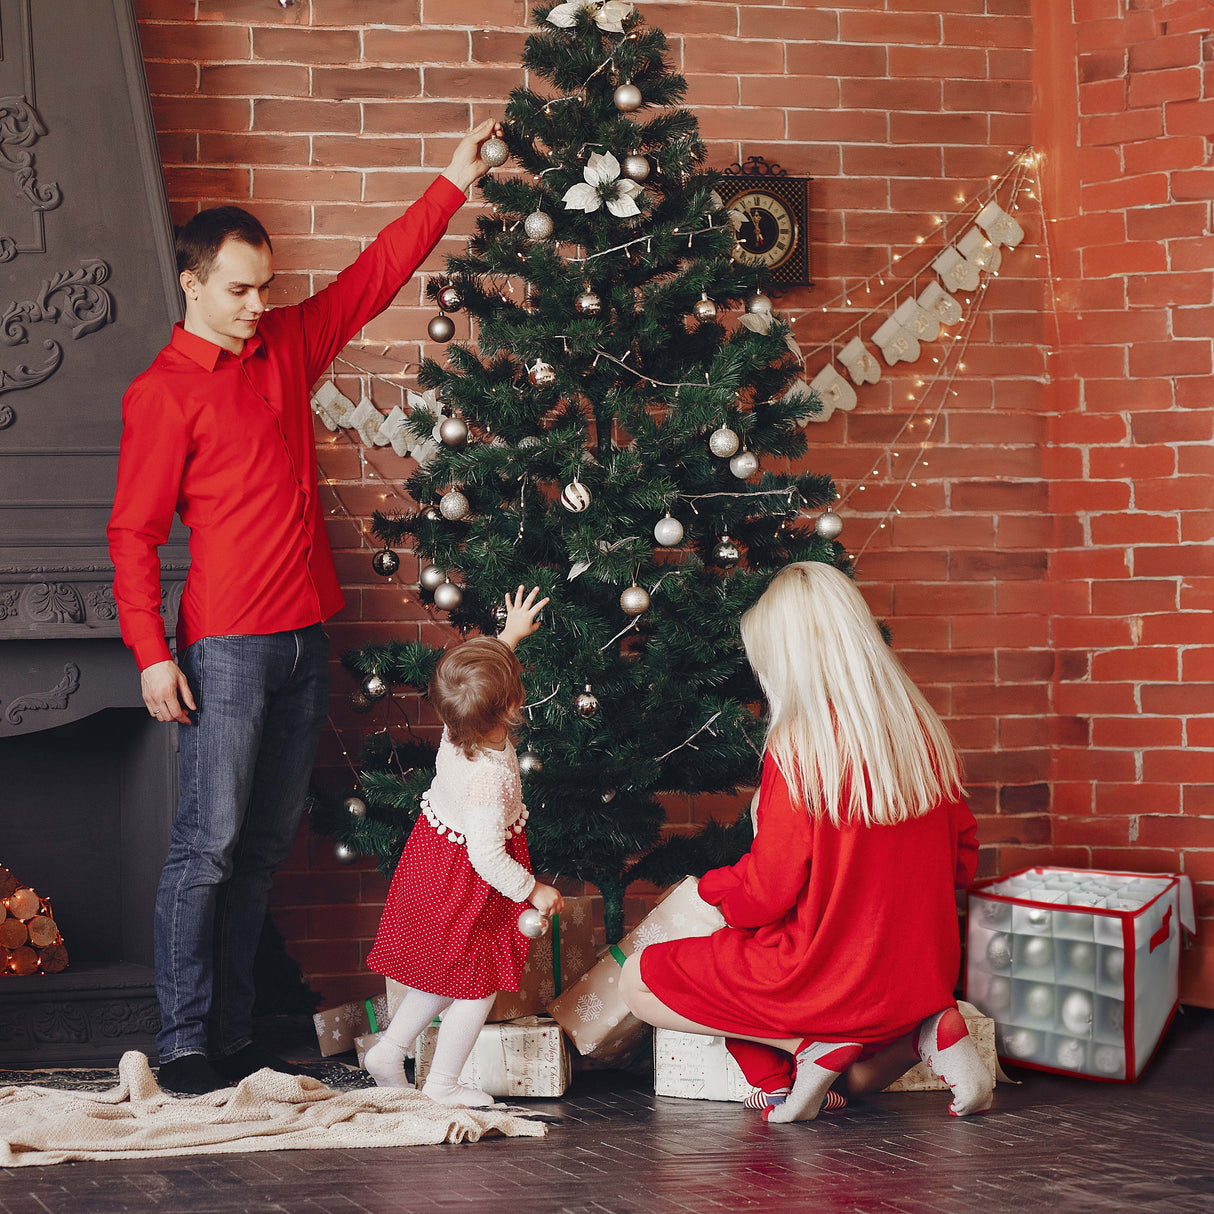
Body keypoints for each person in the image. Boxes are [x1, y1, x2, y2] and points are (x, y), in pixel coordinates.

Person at [107, 117, 504, 1096]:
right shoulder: (162, 395)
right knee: (208, 842)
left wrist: (449, 183)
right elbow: (132, 534)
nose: (255, 305)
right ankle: (185, 1038)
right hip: (225, 646)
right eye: (238, 290)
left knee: (265, 847)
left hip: (300, 638)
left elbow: (373, 276)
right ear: (193, 284)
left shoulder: (285, 344)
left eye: (265, 288)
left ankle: (234, 1032)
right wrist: (153, 652)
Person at [620, 561, 990, 1123]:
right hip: (916, 976)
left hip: (827, 976)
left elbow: (768, 892)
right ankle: (926, 1030)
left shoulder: (799, 749)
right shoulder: (922, 734)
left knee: (636, 980)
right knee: (858, 1080)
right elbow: (962, 861)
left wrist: (717, 892)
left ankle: (804, 1050)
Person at [361, 587, 562, 1107]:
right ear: (514, 705)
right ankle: (443, 1083)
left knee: (448, 970)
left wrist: (510, 636)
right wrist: (532, 888)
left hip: (435, 859)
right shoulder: (487, 782)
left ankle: (389, 1051)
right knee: (476, 983)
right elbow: (487, 856)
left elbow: (481, 682)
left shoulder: (459, 724)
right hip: (468, 878)